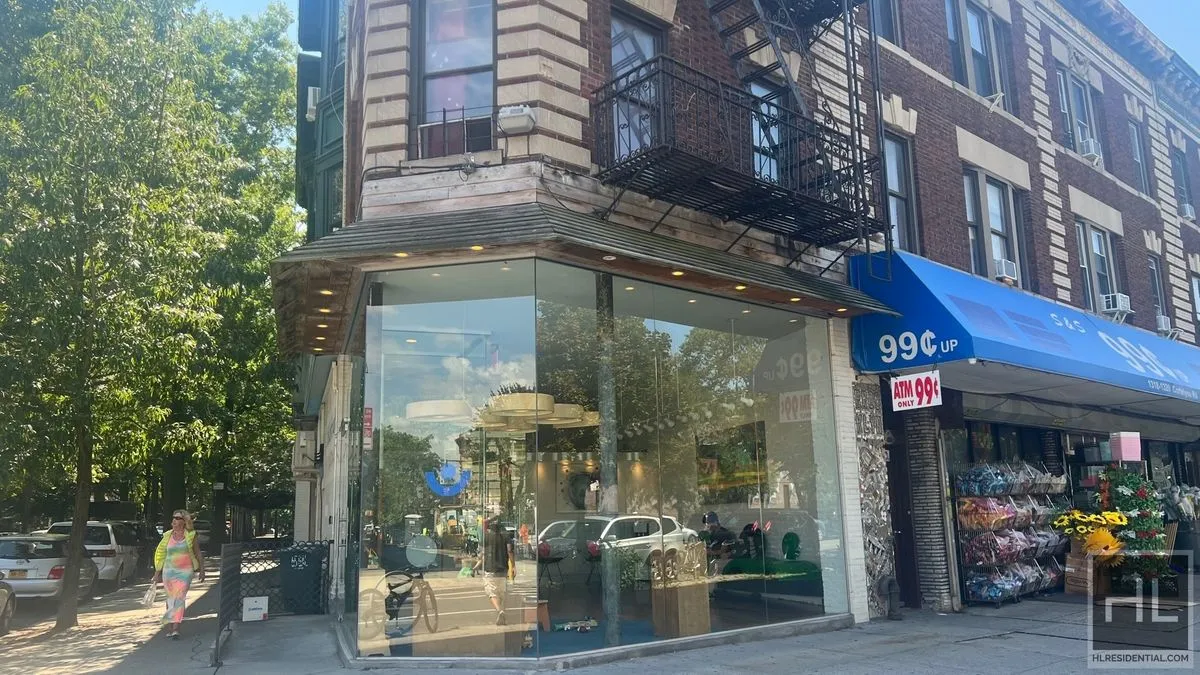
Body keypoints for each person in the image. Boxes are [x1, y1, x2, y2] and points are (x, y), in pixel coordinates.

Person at [152, 510, 205, 639]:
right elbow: (161, 556)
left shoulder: (191, 535)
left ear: (184, 521)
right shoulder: (167, 536)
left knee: (179, 597)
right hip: (169, 571)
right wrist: (157, 573)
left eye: (178, 518)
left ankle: (176, 628)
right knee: (171, 598)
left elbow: (198, 552)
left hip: (185, 572)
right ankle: (170, 627)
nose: (174, 520)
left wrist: (202, 569)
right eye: (173, 518)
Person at [478, 517, 513, 625]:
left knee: (492, 593)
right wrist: (513, 566)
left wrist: (478, 563)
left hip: (490, 568)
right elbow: (510, 551)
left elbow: (481, 553)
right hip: (503, 568)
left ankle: (500, 611)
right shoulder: (505, 536)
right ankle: (501, 615)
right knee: (501, 593)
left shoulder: (486, 536)